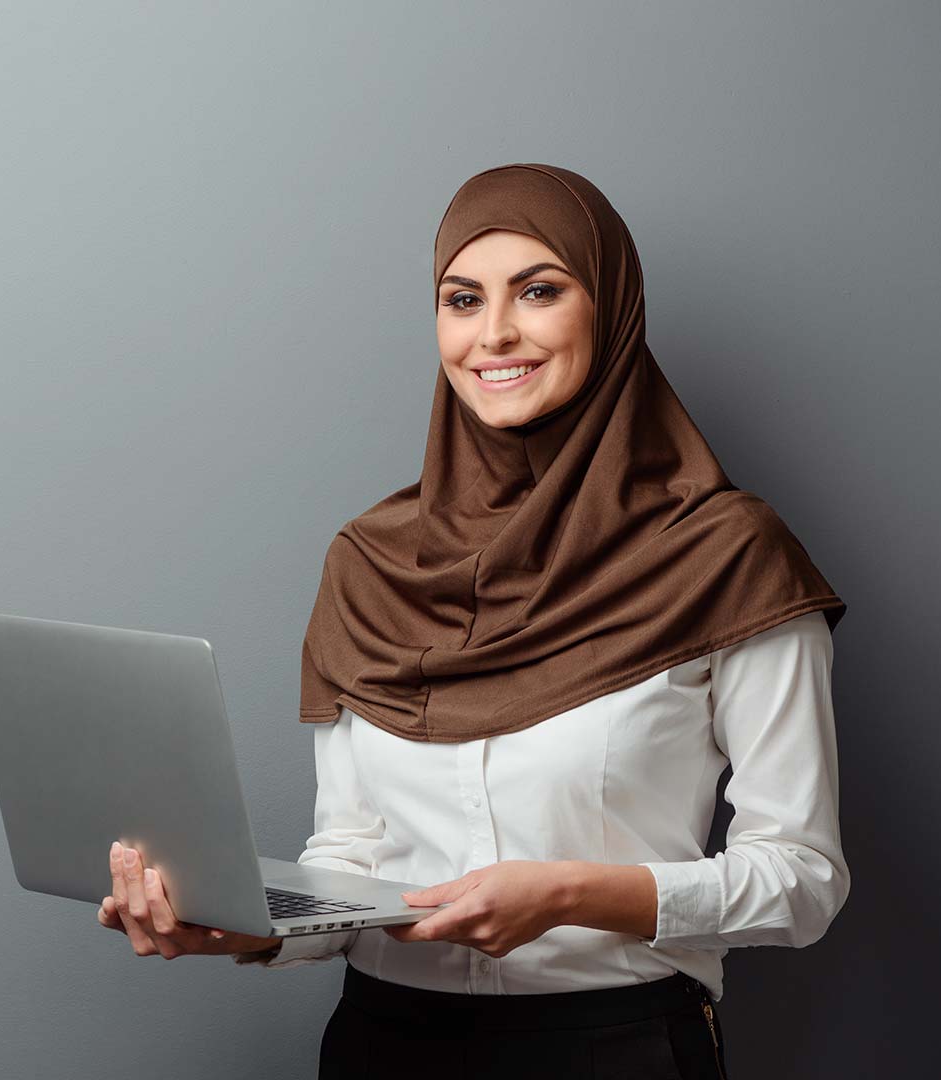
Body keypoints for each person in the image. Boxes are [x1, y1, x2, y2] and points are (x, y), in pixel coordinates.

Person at [98, 163, 849, 1079]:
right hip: (384, 1046)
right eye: (462, 299)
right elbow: (349, 856)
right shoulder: (369, 561)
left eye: (539, 291)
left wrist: (573, 892)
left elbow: (802, 881)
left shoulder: (725, 554)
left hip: (620, 1048)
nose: (494, 333)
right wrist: (241, 932)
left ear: (608, 309)